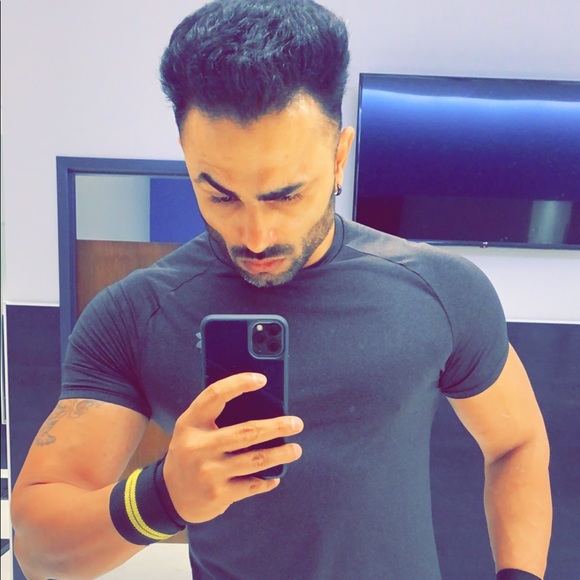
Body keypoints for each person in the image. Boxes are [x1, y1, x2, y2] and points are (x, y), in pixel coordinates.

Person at [11, 1, 551, 578]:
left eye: (286, 195)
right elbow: (37, 549)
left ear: (339, 158)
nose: (256, 235)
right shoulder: (134, 314)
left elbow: (517, 444)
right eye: (219, 195)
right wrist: (163, 496)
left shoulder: (440, 291)